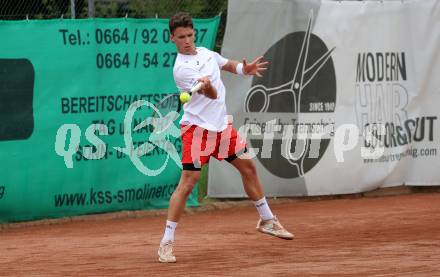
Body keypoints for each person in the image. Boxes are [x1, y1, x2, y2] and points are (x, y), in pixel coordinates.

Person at [158, 12, 294, 263]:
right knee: (188, 183)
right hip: (197, 130)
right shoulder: (181, 69)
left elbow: (228, 64)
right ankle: (166, 243)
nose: (187, 40)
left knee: (249, 167)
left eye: (190, 35)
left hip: (221, 129)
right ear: (172, 39)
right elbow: (209, 95)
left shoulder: (207, 54)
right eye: (181, 37)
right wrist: (207, 84)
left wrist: (245, 69)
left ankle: (267, 220)